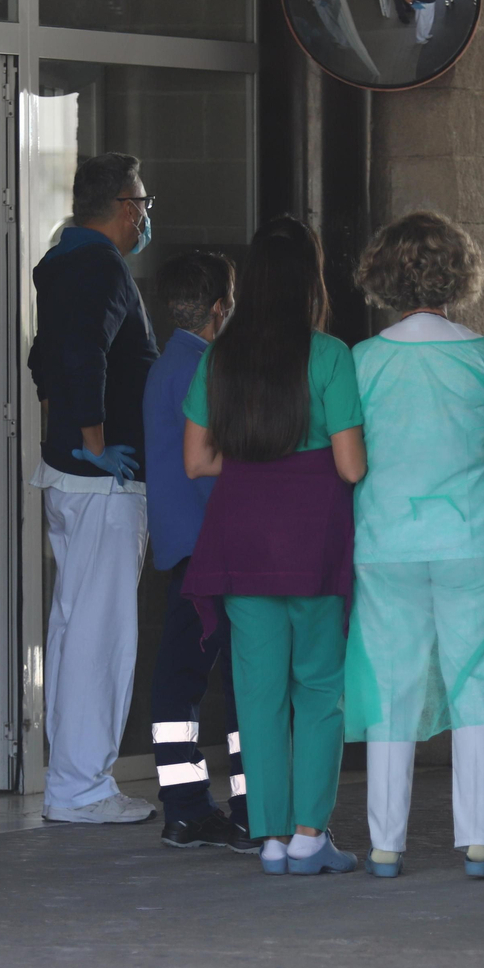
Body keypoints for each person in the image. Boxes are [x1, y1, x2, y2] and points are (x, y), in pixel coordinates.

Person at [344, 210, 484, 879]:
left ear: (382, 279)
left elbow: (347, 450)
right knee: (479, 683)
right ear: (460, 276)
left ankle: (384, 845)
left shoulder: (363, 362)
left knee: (390, 685)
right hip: (477, 540)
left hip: (386, 543)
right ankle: (481, 843)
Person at [181, 218, 366, 876]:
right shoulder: (332, 355)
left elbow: (196, 462)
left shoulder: (218, 358)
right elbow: (350, 467)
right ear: (310, 282)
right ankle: (312, 835)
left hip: (241, 536)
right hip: (313, 537)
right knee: (318, 687)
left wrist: (252, 456)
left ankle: (269, 837)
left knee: (257, 691)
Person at [26, 152, 159, 824]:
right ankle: (81, 786)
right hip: (102, 486)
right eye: (144, 203)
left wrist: (72, 438)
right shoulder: (100, 266)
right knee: (99, 636)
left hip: (74, 477)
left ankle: (75, 780)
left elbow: (41, 359)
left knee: (77, 625)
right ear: (125, 206)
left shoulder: (60, 263)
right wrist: (98, 445)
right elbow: (80, 356)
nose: (147, 217)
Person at [142, 251, 256, 852]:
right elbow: (214, 466)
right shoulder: (213, 368)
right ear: (220, 306)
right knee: (245, 681)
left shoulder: (165, 367)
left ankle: (183, 807)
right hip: (220, 544)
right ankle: (248, 807)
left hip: (181, 547)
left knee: (178, 679)